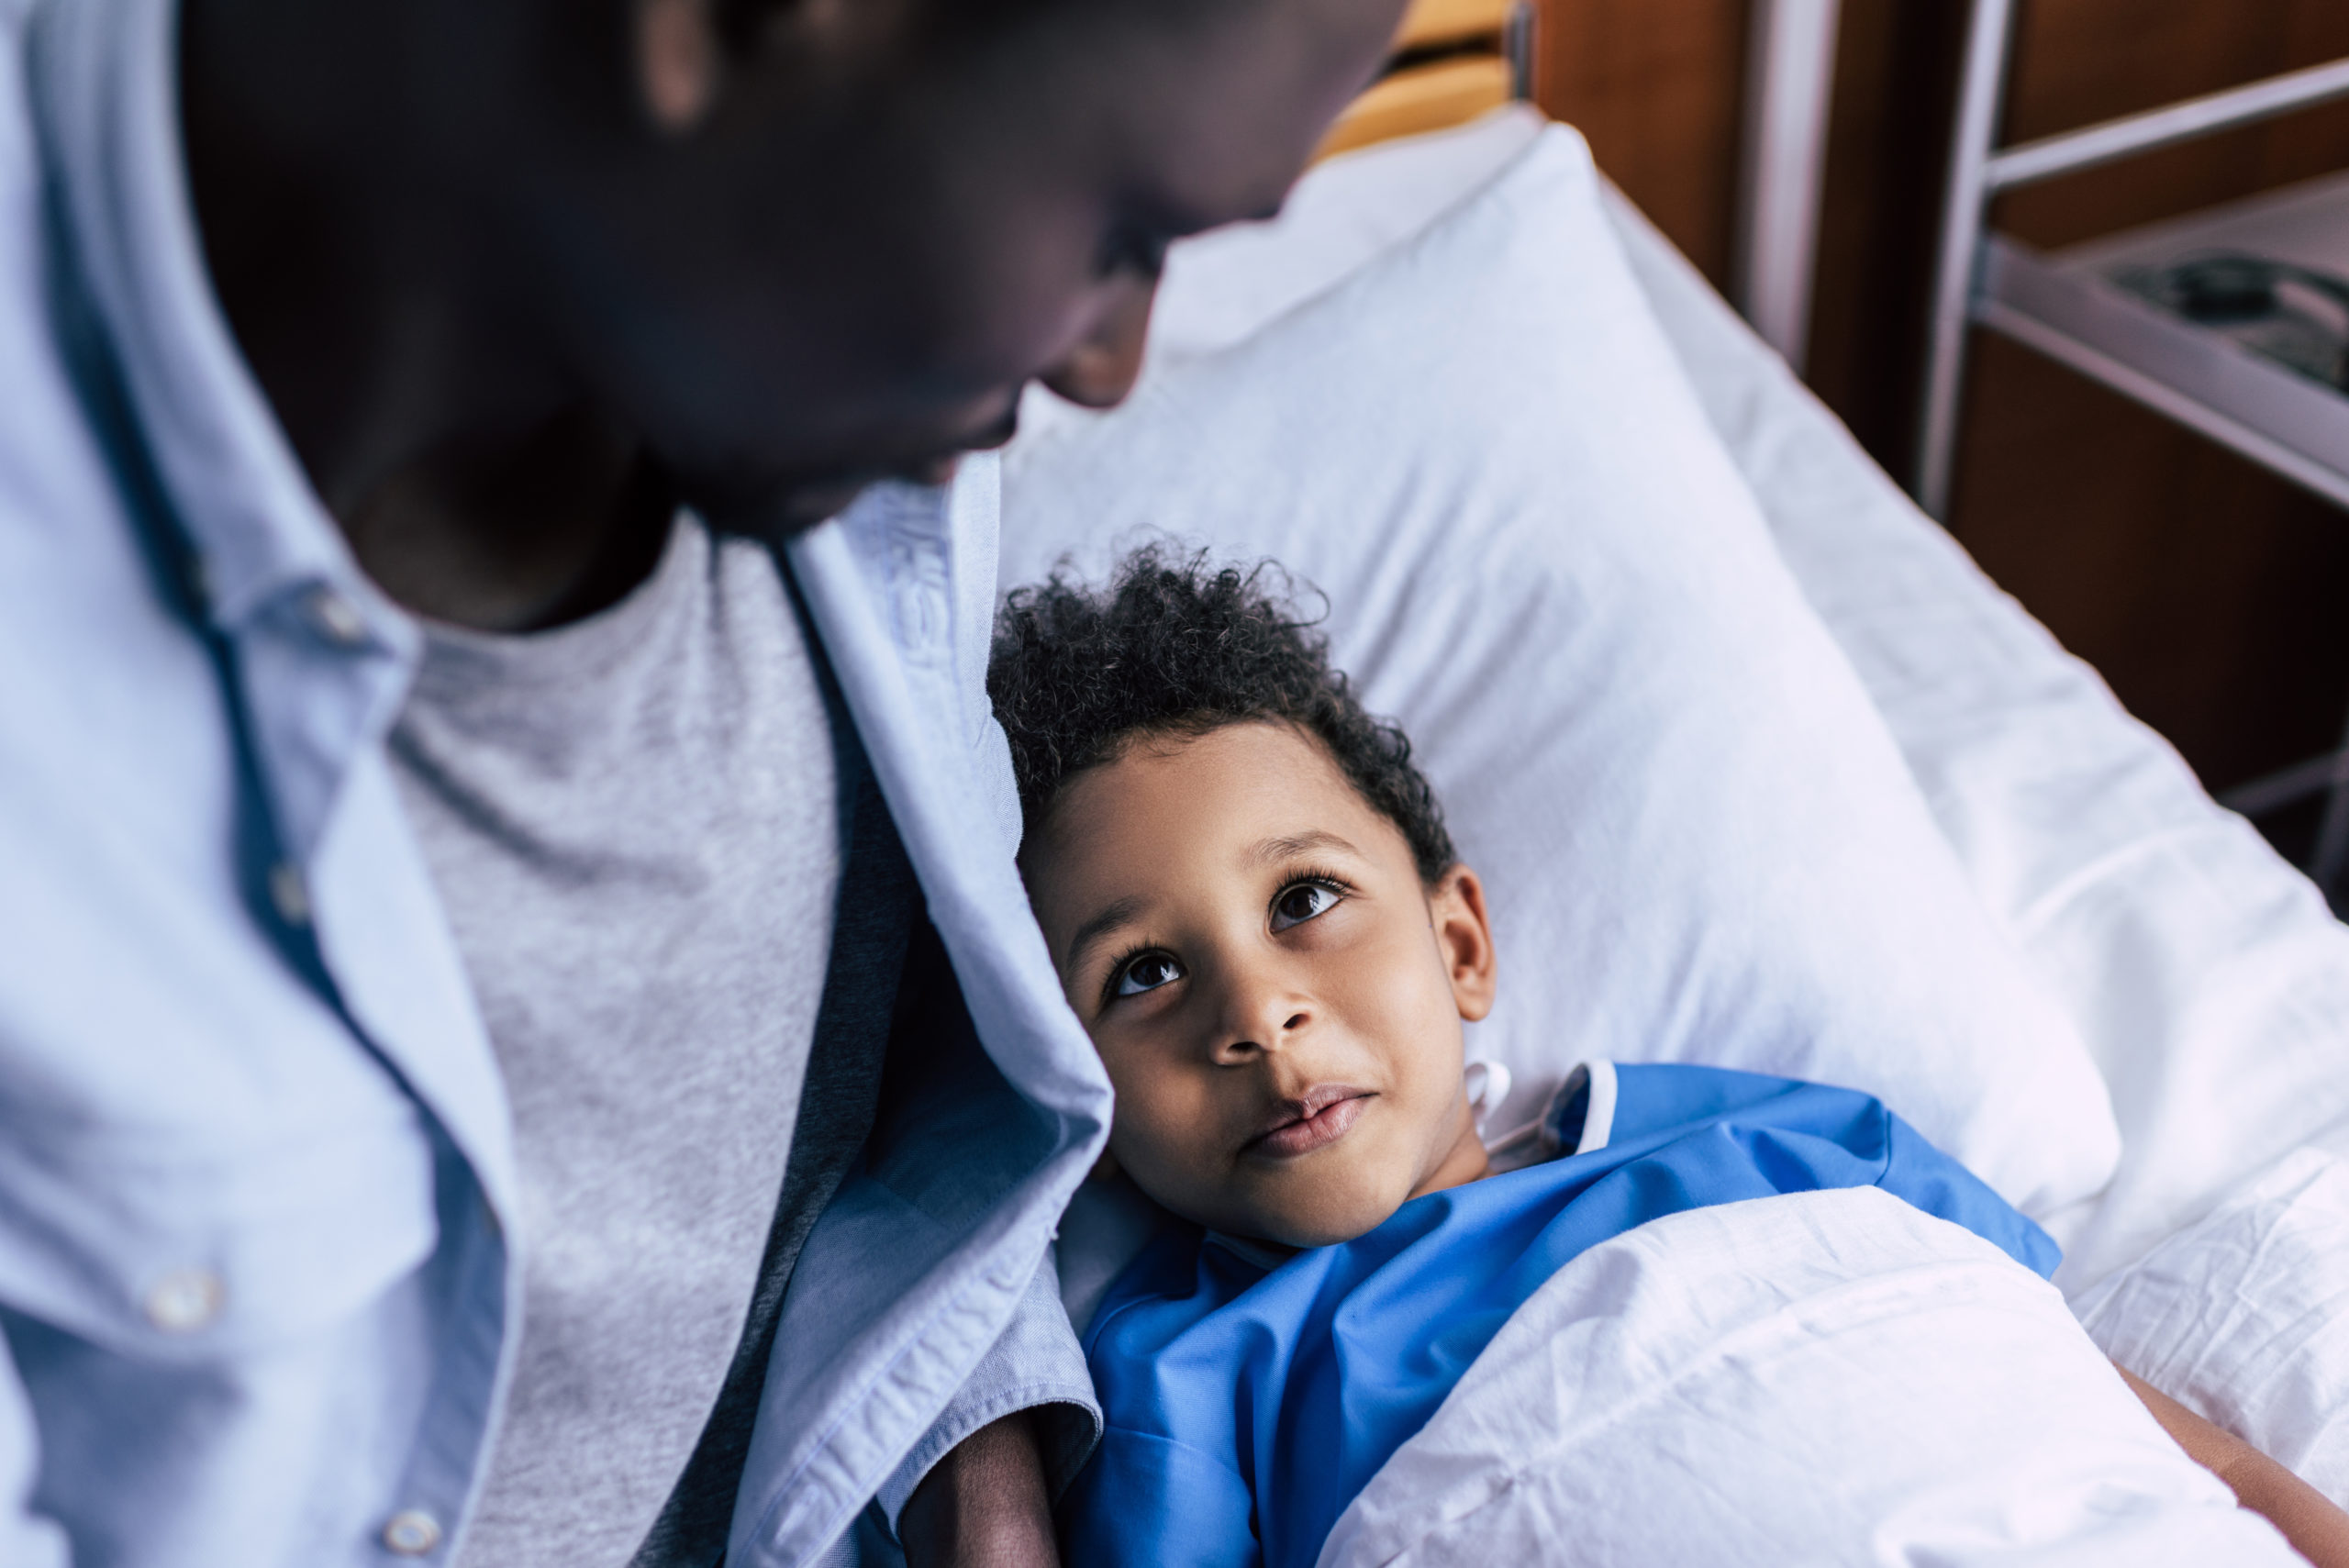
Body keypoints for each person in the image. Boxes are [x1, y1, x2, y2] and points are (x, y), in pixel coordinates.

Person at [0, 0, 1411, 1562]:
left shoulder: (837, 377)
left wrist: (976, 1470)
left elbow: (915, 1066)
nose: (1104, 367)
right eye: (1124, 232)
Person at [986, 548, 2349, 1568]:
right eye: (1143, 975)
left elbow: (2157, 1441)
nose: (1258, 1009)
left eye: (1304, 900)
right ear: (1080, 1096)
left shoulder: (1790, 1146)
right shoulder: (1192, 1374)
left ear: (1461, 941)